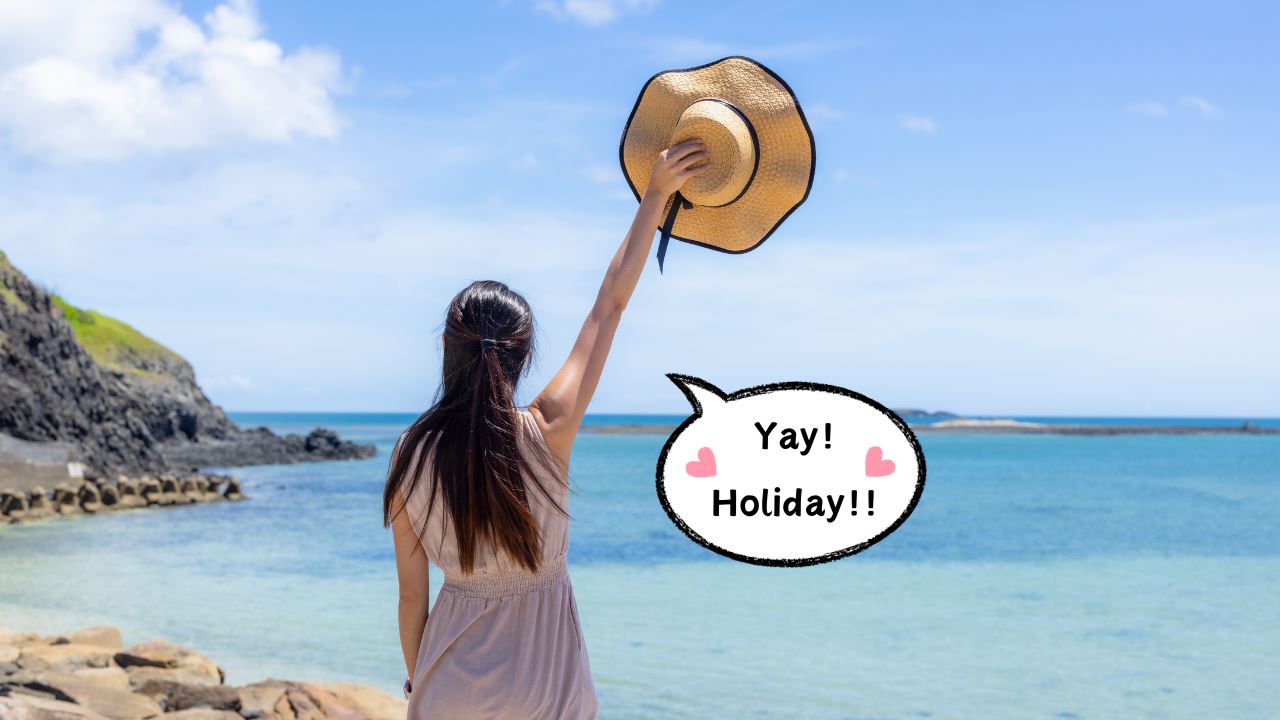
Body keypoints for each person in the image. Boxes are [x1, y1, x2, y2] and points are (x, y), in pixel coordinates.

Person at [383, 139, 709, 719]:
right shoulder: (548, 430)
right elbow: (609, 304)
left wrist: (417, 680)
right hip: (545, 683)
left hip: (447, 686)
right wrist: (656, 196)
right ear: (523, 354)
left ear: (445, 347)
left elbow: (413, 597)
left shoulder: (409, 455)